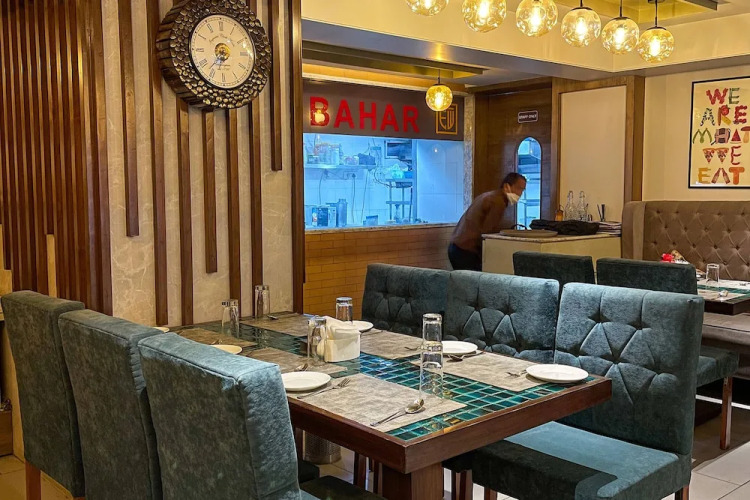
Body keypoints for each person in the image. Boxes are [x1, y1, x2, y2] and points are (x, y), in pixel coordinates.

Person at [448, 172, 527, 271]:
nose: (520, 193)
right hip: (465, 251)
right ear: (507, 186)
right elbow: (487, 233)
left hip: (457, 247)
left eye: (522, 190)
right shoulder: (498, 202)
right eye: (519, 188)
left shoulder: (490, 196)